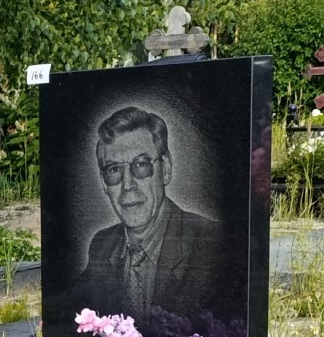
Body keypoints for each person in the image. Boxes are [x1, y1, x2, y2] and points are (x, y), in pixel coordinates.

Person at [85, 105, 222, 320]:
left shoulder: (213, 244)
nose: (127, 185)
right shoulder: (102, 246)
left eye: (141, 165)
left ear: (165, 169)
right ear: (104, 183)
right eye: (114, 170)